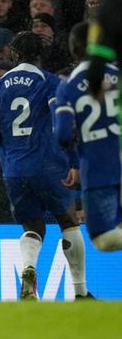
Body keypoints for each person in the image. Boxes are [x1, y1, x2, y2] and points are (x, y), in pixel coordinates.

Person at [0, 32, 93, 300]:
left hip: (13, 169)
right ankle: (80, 293)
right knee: (68, 222)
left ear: (14, 54)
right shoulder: (50, 82)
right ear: (40, 55)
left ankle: (29, 269)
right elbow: (64, 128)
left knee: (32, 228)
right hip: (47, 165)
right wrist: (74, 161)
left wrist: (9, 146)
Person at [56, 36, 122, 251]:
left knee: (102, 239)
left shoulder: (68, 85)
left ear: (74, 49)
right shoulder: (117, 75)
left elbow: (63, 136)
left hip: (97, 170)